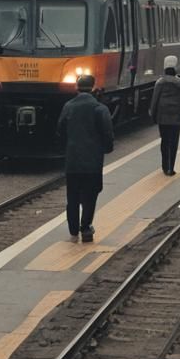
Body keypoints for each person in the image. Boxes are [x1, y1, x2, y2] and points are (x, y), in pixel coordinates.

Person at [56, 73, 114, 242]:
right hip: (93, 161)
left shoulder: (68, 106)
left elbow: (60, 130)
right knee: (91, 195)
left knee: (72, 196)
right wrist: (106, 148)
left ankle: (73, 229)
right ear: (94, 87)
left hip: (73, 161)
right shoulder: (99, 108)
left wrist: (66, 149)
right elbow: (107, 133)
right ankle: (86, 227)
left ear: (76, 87)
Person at [150, 55, 180, 174]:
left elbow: (155, 100)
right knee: (174, 142)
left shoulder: (159, 83)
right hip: (176, 118)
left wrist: (153, 114)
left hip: (163, 118)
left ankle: (164, 166)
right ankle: (171, 168)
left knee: (165, 141)